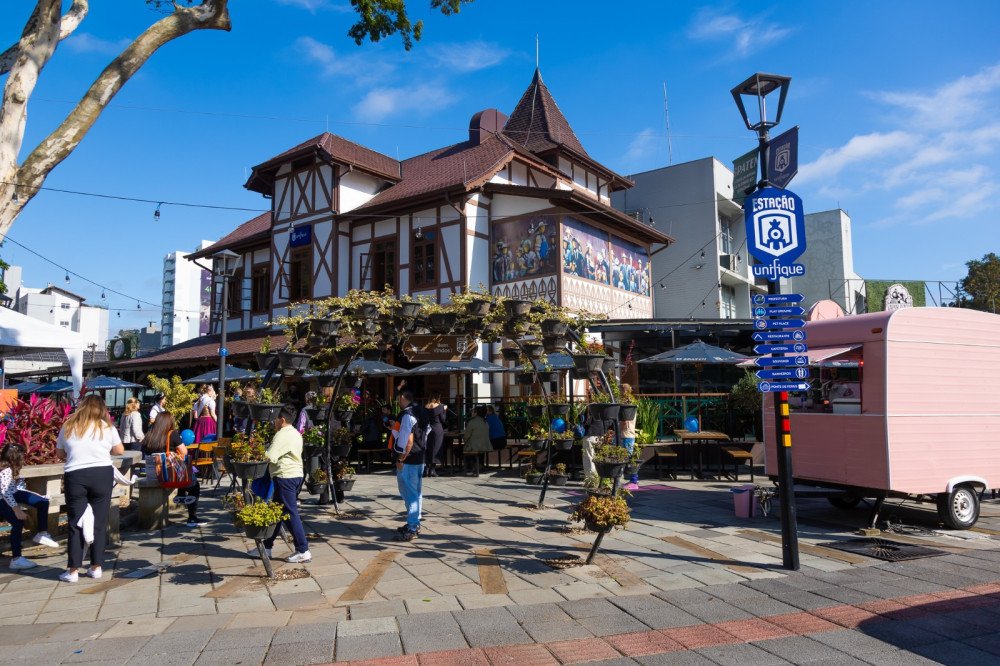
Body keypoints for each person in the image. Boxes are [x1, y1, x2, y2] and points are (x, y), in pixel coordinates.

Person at [55, 394, 125, 583]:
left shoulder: (68, 425)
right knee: (100, 521)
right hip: (101, 473)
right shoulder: (107, 427)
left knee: (75, 522)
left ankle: (73, 570)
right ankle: (96, 567)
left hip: (75, 475)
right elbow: (119, 451)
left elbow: (59, 452)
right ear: (102, 409)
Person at [251, 405, 311, 563]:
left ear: (282, 420)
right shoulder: (295, 433)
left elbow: (270, 456)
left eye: (275, 419)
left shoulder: (282, 434)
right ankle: (267, 546)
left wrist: (254, 453)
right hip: (293, 475)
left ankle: (303, 550)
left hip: (286, 477)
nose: (273, 422)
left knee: (290, 513)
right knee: (278, 513)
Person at [1, 444, 59, 570]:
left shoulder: (14, 468)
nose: (24, 458)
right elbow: (5, 492)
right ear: (16, 457)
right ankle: (16, 559)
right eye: (22, 455)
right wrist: (17, 510)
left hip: (15, 493)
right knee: (18, 522)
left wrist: (38, 496)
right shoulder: (5, 471)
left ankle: (42, 533)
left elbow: (19, 488)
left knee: (43, 502)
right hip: (3, 498)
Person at [143, 413, 205, 527]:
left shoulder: (150, 434)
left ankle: (181, 494)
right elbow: (184, 452)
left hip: (152, 474)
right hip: (167, 475)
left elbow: (144, 450)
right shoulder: (172, 434)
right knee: (194, 484)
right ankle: (192, 517)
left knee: (181, 475)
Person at [391, 390, 426, 541]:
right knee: (416, 492)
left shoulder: (407, 415)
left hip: (409, 459)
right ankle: (415, 523)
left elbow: (408, 440)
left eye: (399, 399)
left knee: (409, 493)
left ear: (403, 398)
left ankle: (412, 526)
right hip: (420, 457)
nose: (398, 402)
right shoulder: (421, 412)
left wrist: (400, 459)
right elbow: (426, 433)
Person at [462, 406, 492, 477]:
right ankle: (479, 466)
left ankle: (469, 469)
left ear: (476, 413)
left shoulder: (472, 422)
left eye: (473, 411)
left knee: (462, 449)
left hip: (475, 446)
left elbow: (466, 436)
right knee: (474, 448)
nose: (471, 413)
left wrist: (465, 441)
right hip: (485, 445)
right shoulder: (485, 422)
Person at [619, 384, 639, 490]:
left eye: (620, 391)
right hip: (627, 434)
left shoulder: (627, 403)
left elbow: (625, 420)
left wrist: (618, 430)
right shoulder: (631, 402)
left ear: (624, 391)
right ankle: (632, 480)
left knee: (629, 458)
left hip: (626, 434)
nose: (619, 393)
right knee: (627, 457)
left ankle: (634, 481)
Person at [424, 395, 447, 477]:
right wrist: (444, 410)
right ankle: (432, 470)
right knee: (436, 448)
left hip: (428, 429)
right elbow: (443, 419)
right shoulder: (440, 407)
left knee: (428, 448)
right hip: (437, 429)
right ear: (438, 399)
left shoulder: (426, 407)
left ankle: (426, 469)